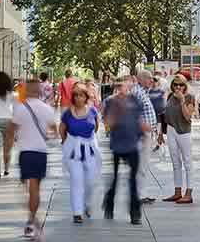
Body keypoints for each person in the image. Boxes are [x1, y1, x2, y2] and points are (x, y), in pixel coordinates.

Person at [7, 80, 57, 241]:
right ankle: (32, 219)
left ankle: (33, 222)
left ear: (27, 91)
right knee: (35, 188)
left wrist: (7, 151)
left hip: (26, 152)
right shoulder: (47, 109)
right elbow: (54, 132)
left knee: (27, 189)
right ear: (40, 92)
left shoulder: (20, 109)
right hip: (41, 153)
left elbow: (10, 131)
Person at [103, 76, 149, 225]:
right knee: (115, 178)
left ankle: (135, 213)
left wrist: (144, 128)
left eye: (124, 85)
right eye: (119, 86)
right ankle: (109, 203)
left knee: (132, 180)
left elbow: (139, 118)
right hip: (117, 144)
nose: (122, 88)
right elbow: (108, 122)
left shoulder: (135, 100)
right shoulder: (111, 101)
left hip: (132, 144)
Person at [60, 83, 101, 223]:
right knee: (76, 180)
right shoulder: (67, 113)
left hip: (89, 149)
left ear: (86, 97)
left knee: (90, 180)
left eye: (81, 95)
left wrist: (90, 140)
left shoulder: (92, 110)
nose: (78, 98)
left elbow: (96, 127)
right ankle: (77, 212)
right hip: (73, 150)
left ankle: (87, 204)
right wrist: (67, 143)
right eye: (76, 95)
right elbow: (62, 129)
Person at [162, 74, 196, 204]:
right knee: (175, 162)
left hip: (183, 132)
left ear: (185, 86)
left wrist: (182, 100)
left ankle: (189, 193)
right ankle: (177, 192)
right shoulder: (170, 96)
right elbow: (166, 114)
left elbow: (187, 117)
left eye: (181, 85)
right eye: (175, 84)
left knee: (187, 162)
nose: (178, 87)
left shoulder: (189, 97)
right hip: (171, 130)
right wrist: (161, 133)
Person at [133, 71, 158, 204]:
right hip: (141, 133)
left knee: (143, 164)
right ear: (141, 79)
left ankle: (142, 193)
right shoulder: (137, 92)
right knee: (141, 164)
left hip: (145, 133)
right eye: (149, 79)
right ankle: (139, 195)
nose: (151, 81)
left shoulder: (142, 91)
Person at [0, 71, 15, 179]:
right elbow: (20, 105)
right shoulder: (11, 95)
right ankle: (6, 169)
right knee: (8, 148)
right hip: (9, 121)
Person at [148, 77, 167, 151]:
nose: (153, 83)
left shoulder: (161, 91)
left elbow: (164, 102)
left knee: (159, 129)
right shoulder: (149, 92)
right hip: (152, 114)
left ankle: (158, 143)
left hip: (160, 114)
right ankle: (157, 142)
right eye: (152, 82)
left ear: (157, 83)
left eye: (154, 82)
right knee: (153, 130)